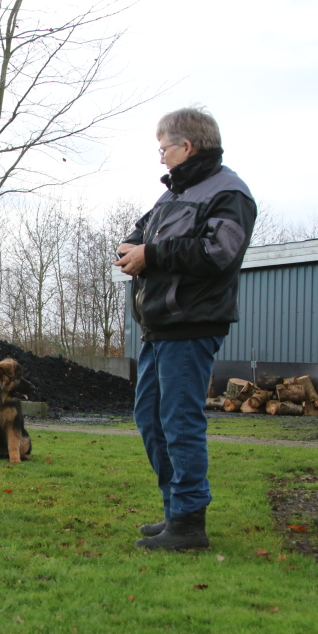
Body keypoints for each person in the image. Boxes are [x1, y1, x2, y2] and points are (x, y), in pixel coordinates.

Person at [116, 106, 256, 551]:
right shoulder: (173, 194)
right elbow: (142, 231)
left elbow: (219, 252)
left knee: (179, 422)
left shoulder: (229, 193)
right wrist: (131, 247)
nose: (160, 157)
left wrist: (151, 255)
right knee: (150, 419)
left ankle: (190, 523)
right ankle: (175, 511)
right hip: (158, 326)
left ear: (187, 146)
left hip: (191, 324)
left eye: (164, 149)